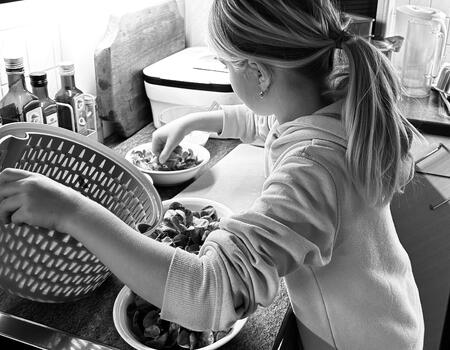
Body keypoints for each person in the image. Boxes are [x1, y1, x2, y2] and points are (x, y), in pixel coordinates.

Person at [0, 0, 424, 349]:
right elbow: (268, 122)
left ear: (258, 74)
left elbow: (210, 292)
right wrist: (196, 121)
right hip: (386, 309)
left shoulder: (311, 170)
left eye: (225, 65)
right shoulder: (334, 99)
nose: (226, 74)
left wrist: (70, 210)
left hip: (356, 338)